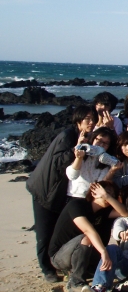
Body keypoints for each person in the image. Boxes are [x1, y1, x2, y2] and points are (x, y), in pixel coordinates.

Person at [26, 104, 98, 282]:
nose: (91, 122)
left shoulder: (85, 137)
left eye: (93, 119)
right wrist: (77, 148)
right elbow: (58, 162)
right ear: (78, 120)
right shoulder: (67, 136)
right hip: (45, 189)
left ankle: (60, 264)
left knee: (57, 231)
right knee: (44, 232)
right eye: (87, 119)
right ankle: (47, 269)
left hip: (60, 192)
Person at [48, 181, 127, 292]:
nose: (109, 196)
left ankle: (87, 273)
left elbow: (125, 213)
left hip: (86, 256)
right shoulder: (77, 205)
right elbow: (88, 231)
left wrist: (107, 197)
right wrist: (103, 252)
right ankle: (75, 282)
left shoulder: (105, 212)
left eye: (112, 195)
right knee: (87, 238)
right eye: (106, 192)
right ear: (94, 192)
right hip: (60, 256)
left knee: (112, 251)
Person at [66, 127, 119, 199]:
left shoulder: (107, 161)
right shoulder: (83, 150)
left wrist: (112, 170)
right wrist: (79, 158)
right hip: (74, 195)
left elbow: (102, 185)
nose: (101, 145)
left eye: (106, 143)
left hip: (92, 198)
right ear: (93, 139)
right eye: (99, 140)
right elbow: (72, 176)